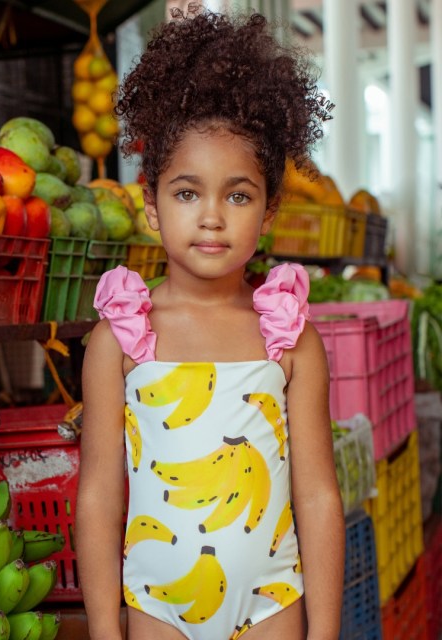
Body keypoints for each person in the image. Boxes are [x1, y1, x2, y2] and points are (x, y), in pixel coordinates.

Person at [75, 6, 345, 640]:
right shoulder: (120, 337)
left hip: (273, 604)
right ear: (151, 204)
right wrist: (104, 629)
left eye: (239, 194)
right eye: (188, 192)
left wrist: (325, 632)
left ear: (270, 209)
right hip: (156, 610)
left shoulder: (289, 336)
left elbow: (318, 497)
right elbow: (98, 497)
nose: (213, 217)